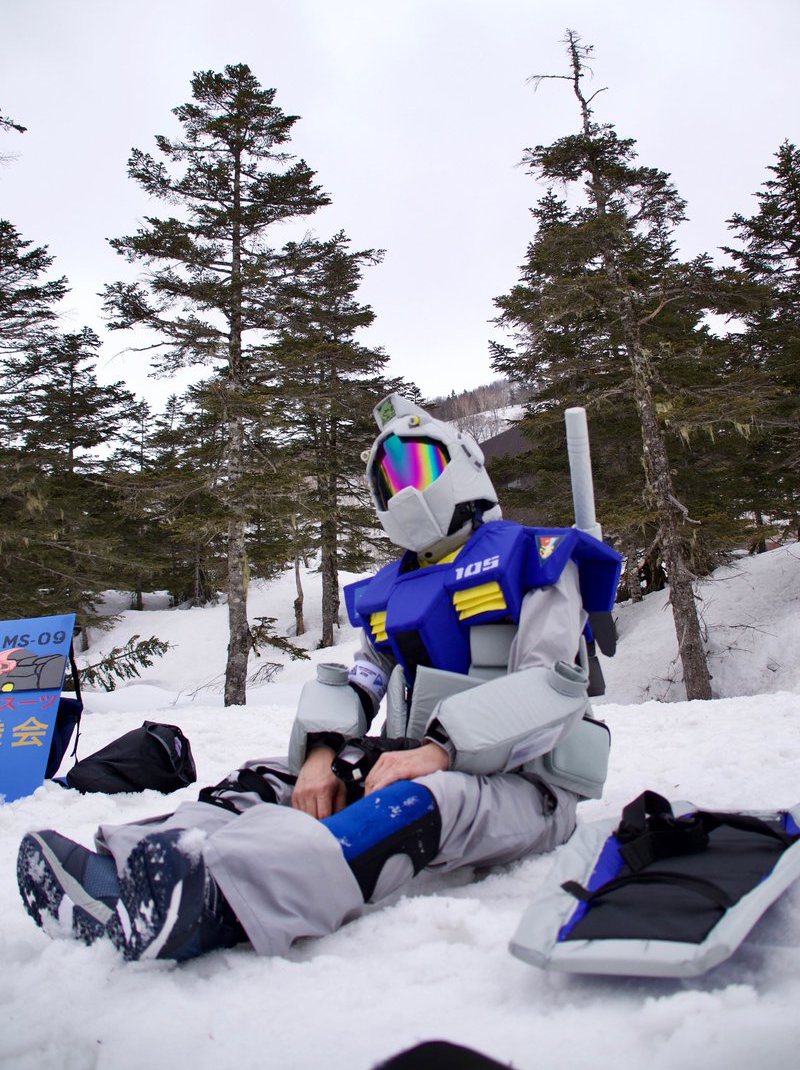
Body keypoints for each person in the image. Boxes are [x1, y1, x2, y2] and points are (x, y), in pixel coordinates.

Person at [17, 394, 621, 963]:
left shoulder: (540, 560)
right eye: (388, 480)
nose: (404, 489)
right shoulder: (389, 592)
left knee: (415, 804)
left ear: (464, 465)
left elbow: (552, 684)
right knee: (262, 778)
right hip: (411, 760)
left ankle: (208, 903)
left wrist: (438, 752)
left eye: (417, 467)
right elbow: (361, 680)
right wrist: (321, 755)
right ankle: (126, 871)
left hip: (524, 788)